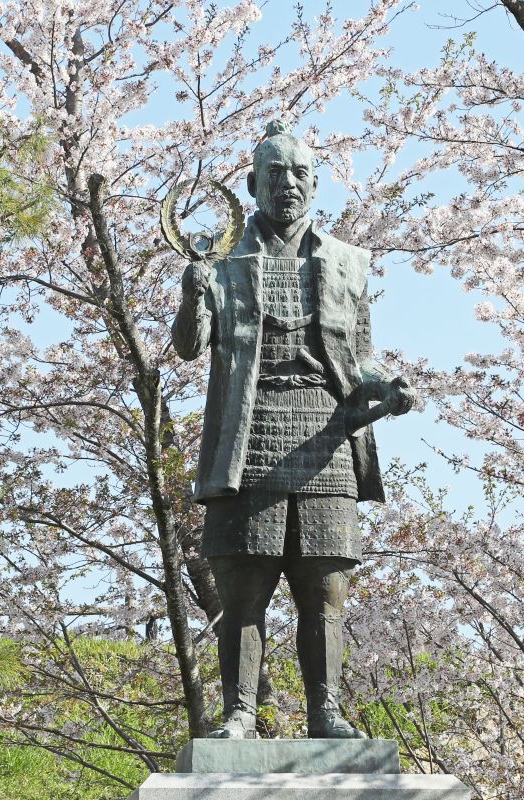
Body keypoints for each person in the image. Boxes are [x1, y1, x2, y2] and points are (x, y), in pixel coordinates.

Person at [171, 119, 415, 739]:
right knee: (244, 588)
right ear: (252, 183)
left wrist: (386, 389)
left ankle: (325, 711)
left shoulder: (348, 265)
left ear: (315, 183)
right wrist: (191, 294)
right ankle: (239, 714)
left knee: (324, 591)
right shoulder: (223, 266)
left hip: (326, 435)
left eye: (300, 173)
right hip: (247, 437)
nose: (288, 184)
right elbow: (187, 347)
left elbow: (357, 359)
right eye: (275, 173)